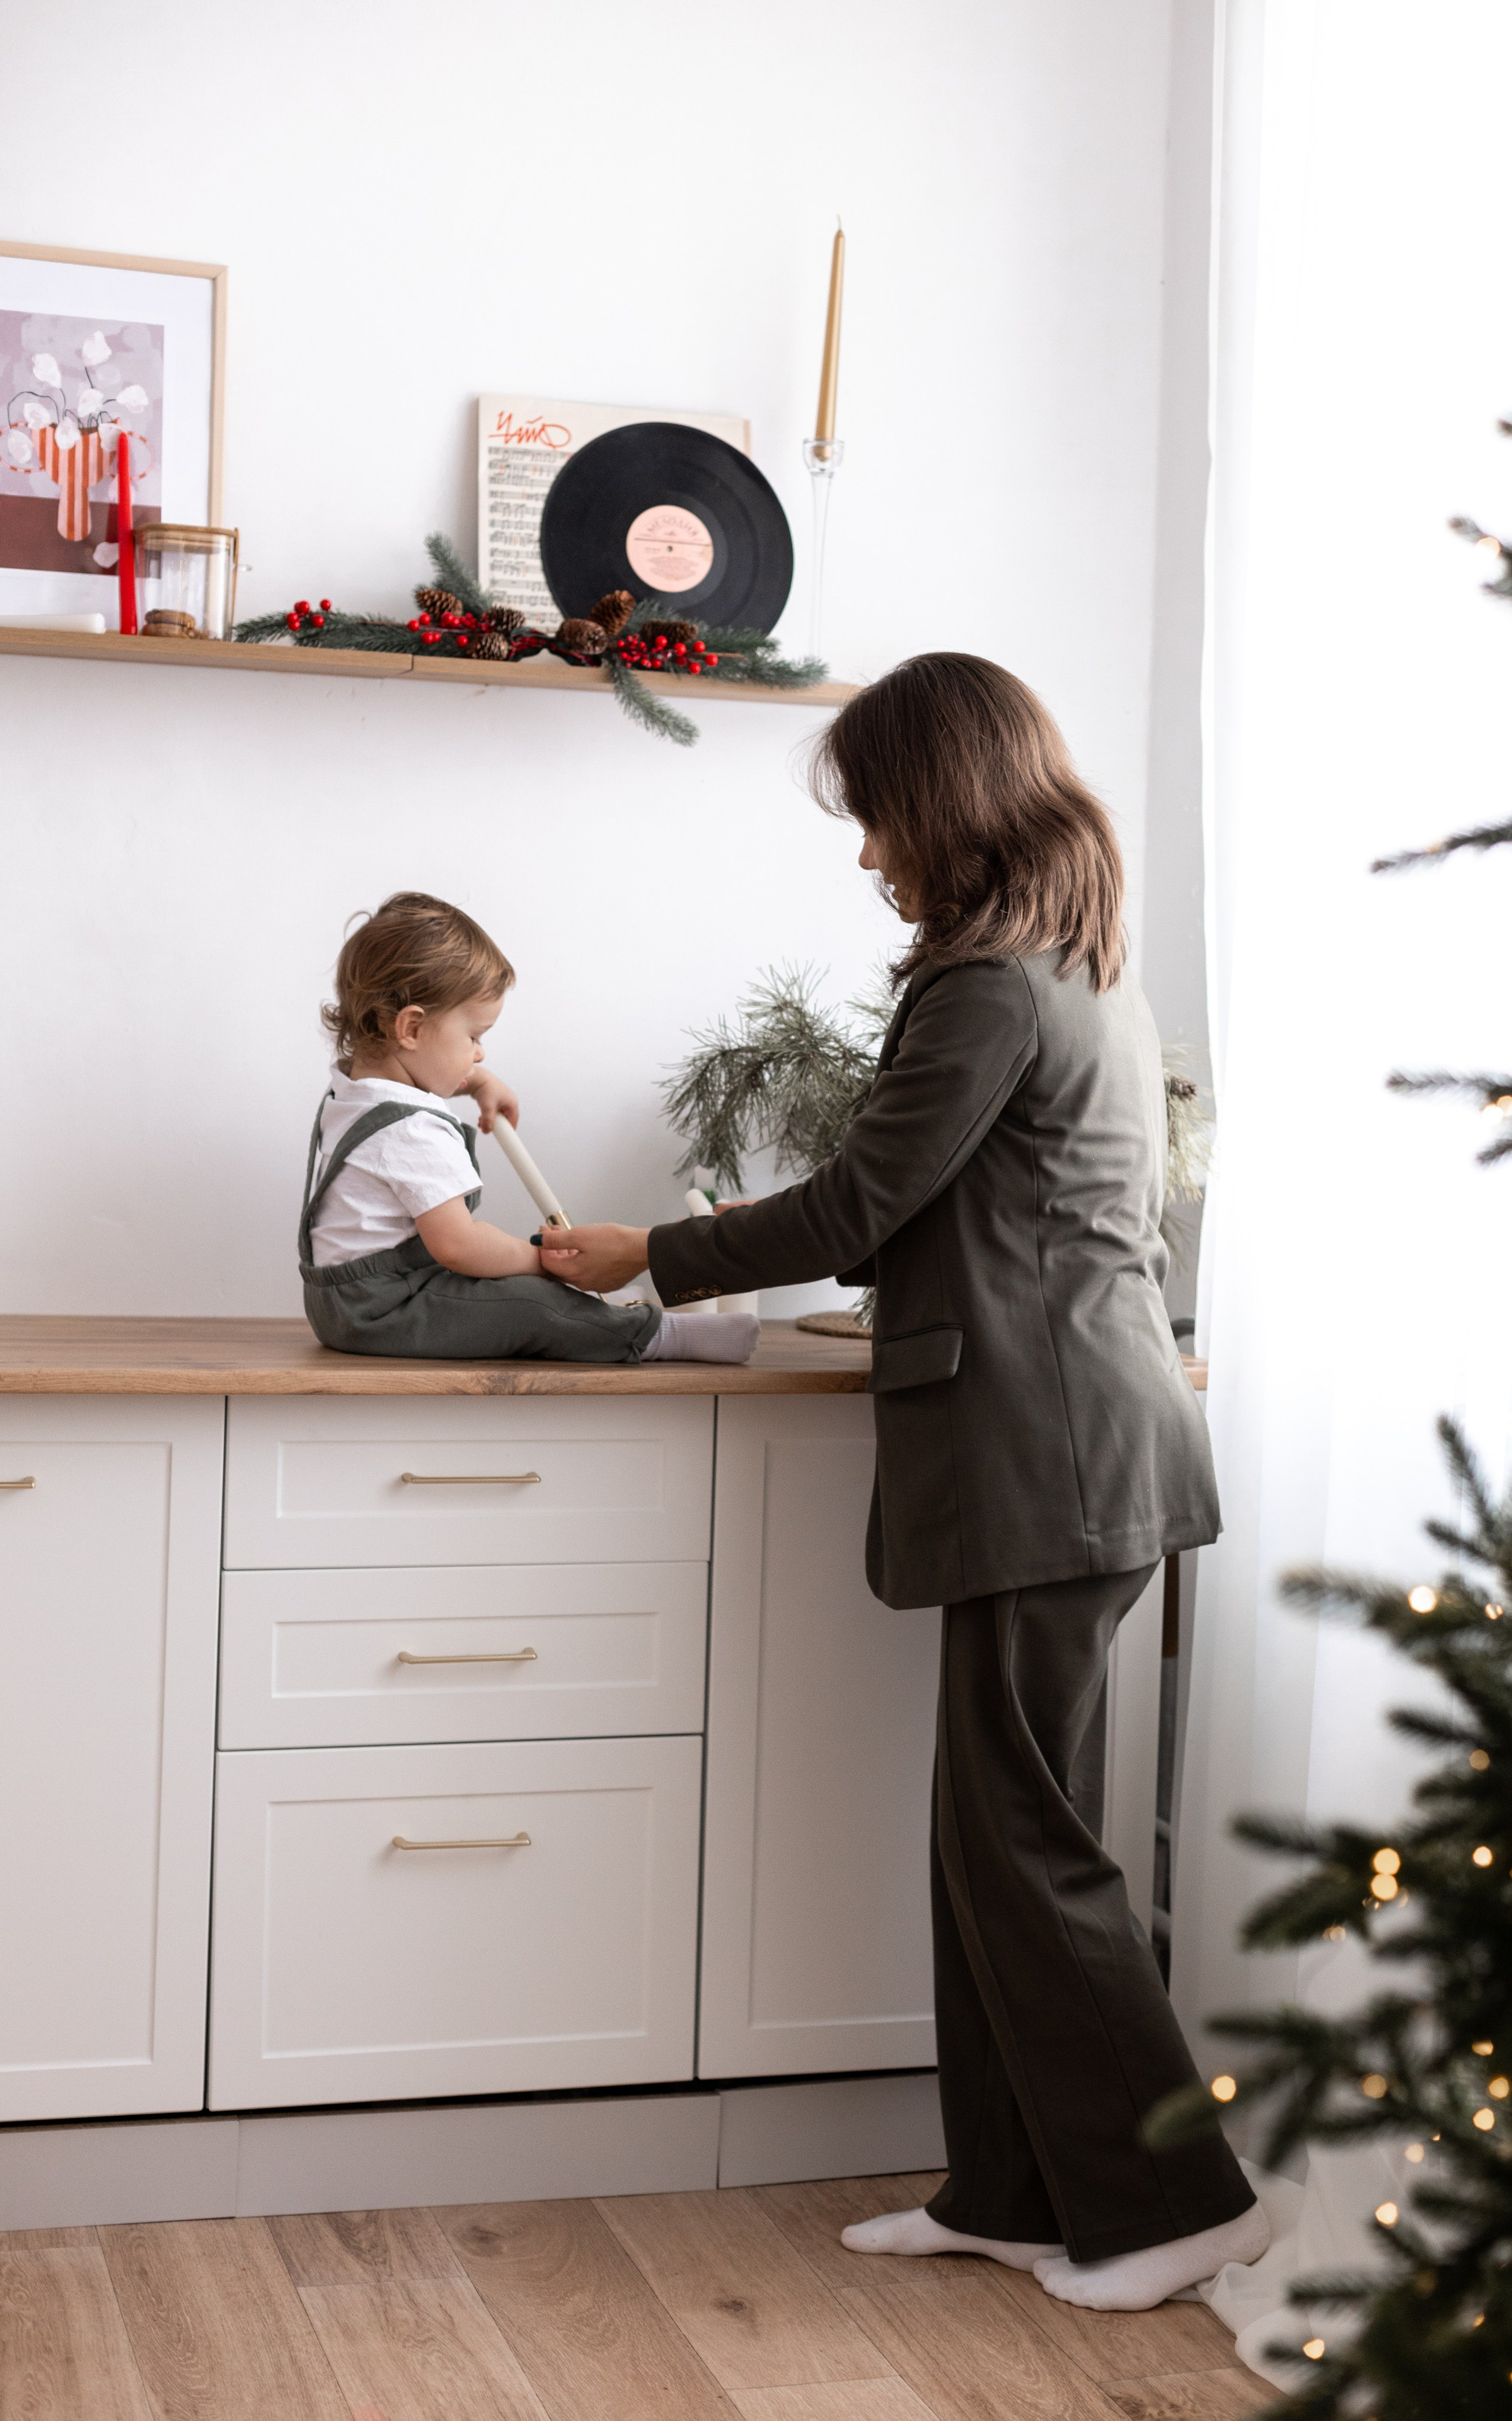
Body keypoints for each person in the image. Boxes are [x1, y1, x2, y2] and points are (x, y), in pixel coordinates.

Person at [539, 655, 1269, 2311]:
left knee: (1025, 1843)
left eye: (876, 812)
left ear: (943, 799)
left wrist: (651, 1253)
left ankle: (1174, 2210)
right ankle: (1016, 2191)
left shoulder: (992, 982)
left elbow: (862, 1204)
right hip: (1073, 1443)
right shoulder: (1068, 963)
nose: (869, 850)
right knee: (997, 1836)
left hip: (1053, 1448)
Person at [300, 890, 758, 1366]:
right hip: (388, 1309)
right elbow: (459, 1246)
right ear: (411, 1029)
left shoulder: (352, 1090)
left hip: (339, 1306)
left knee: (506, 1290)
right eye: (474, 1037)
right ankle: (660, 1336)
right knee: (529, 1304)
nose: (480, 1054)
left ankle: (600, 1316)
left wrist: (474, 1082)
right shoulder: (413, 1132)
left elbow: (407, 1080)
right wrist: (542, 1264)